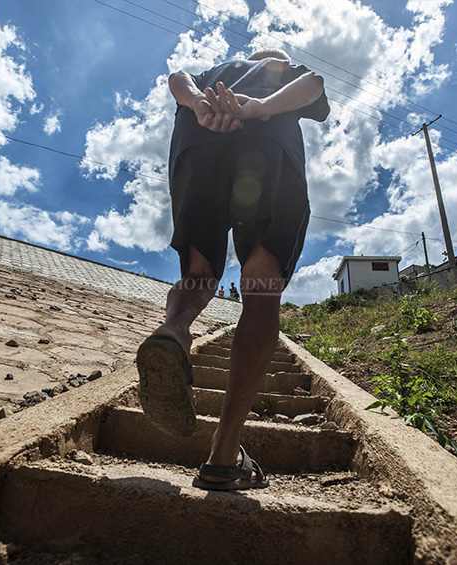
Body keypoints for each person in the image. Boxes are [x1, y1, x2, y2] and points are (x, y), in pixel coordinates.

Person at [135, 48, 329, 491]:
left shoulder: (214, 73)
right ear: (275, 59)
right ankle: (224, 454)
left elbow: (177, 76)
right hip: (264, 147)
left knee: (199, 272)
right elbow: (314, 83)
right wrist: (259, 107)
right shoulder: (279, 70)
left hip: (197, 144)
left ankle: (175, 331)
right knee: (260, 285)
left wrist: (198, 104)